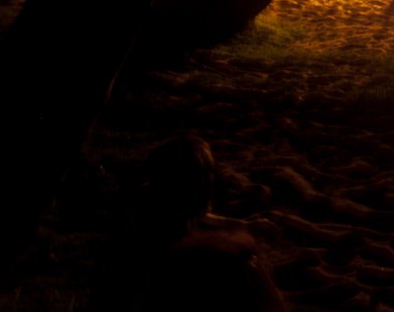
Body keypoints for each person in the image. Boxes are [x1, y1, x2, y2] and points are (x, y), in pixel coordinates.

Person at [91, 133, 285, 312]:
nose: (210, 181)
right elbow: (139, 282)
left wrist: (240, 225)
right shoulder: (148, 223)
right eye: (205, 174)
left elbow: (197, 217)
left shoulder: (160, 198)